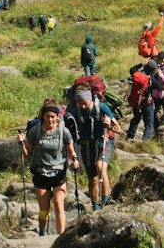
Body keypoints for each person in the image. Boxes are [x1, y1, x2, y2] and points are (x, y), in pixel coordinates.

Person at [18, 99, 78, 234]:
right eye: (47, 117)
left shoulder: (64, 131)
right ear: (42, 117)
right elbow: (27, 153)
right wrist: (22, 144)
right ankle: (42, 231)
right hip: (41, 173)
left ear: (57, 116)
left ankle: (60, 238)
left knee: (58, 205)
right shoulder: (35, 131)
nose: (50, 120)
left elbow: (71, 151)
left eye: (53, 117)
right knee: (44, 211)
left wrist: (75, 160)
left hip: (59, 173)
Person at [66, 83, 118, 209]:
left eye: (85, 102)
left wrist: (109, 123)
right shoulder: (74, 111)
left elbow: (118, 129)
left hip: (103, 142)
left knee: (100, 168)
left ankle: (105, 202)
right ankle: (95, 206)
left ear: (90, 98)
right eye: (80, 103)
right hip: (86, 145)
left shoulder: (102, 107)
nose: (83, 106)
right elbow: (68, 131)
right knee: (92, 178)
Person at [126, 61, 157, 141]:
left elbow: (132, 69)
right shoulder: (150, 79)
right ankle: (145, 140)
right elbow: (159, 86)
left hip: (135, 102)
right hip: (146, 103)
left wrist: (140, 64)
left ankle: (130, 136)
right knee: (149, 124)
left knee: (136, 119)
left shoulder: (135, 75)